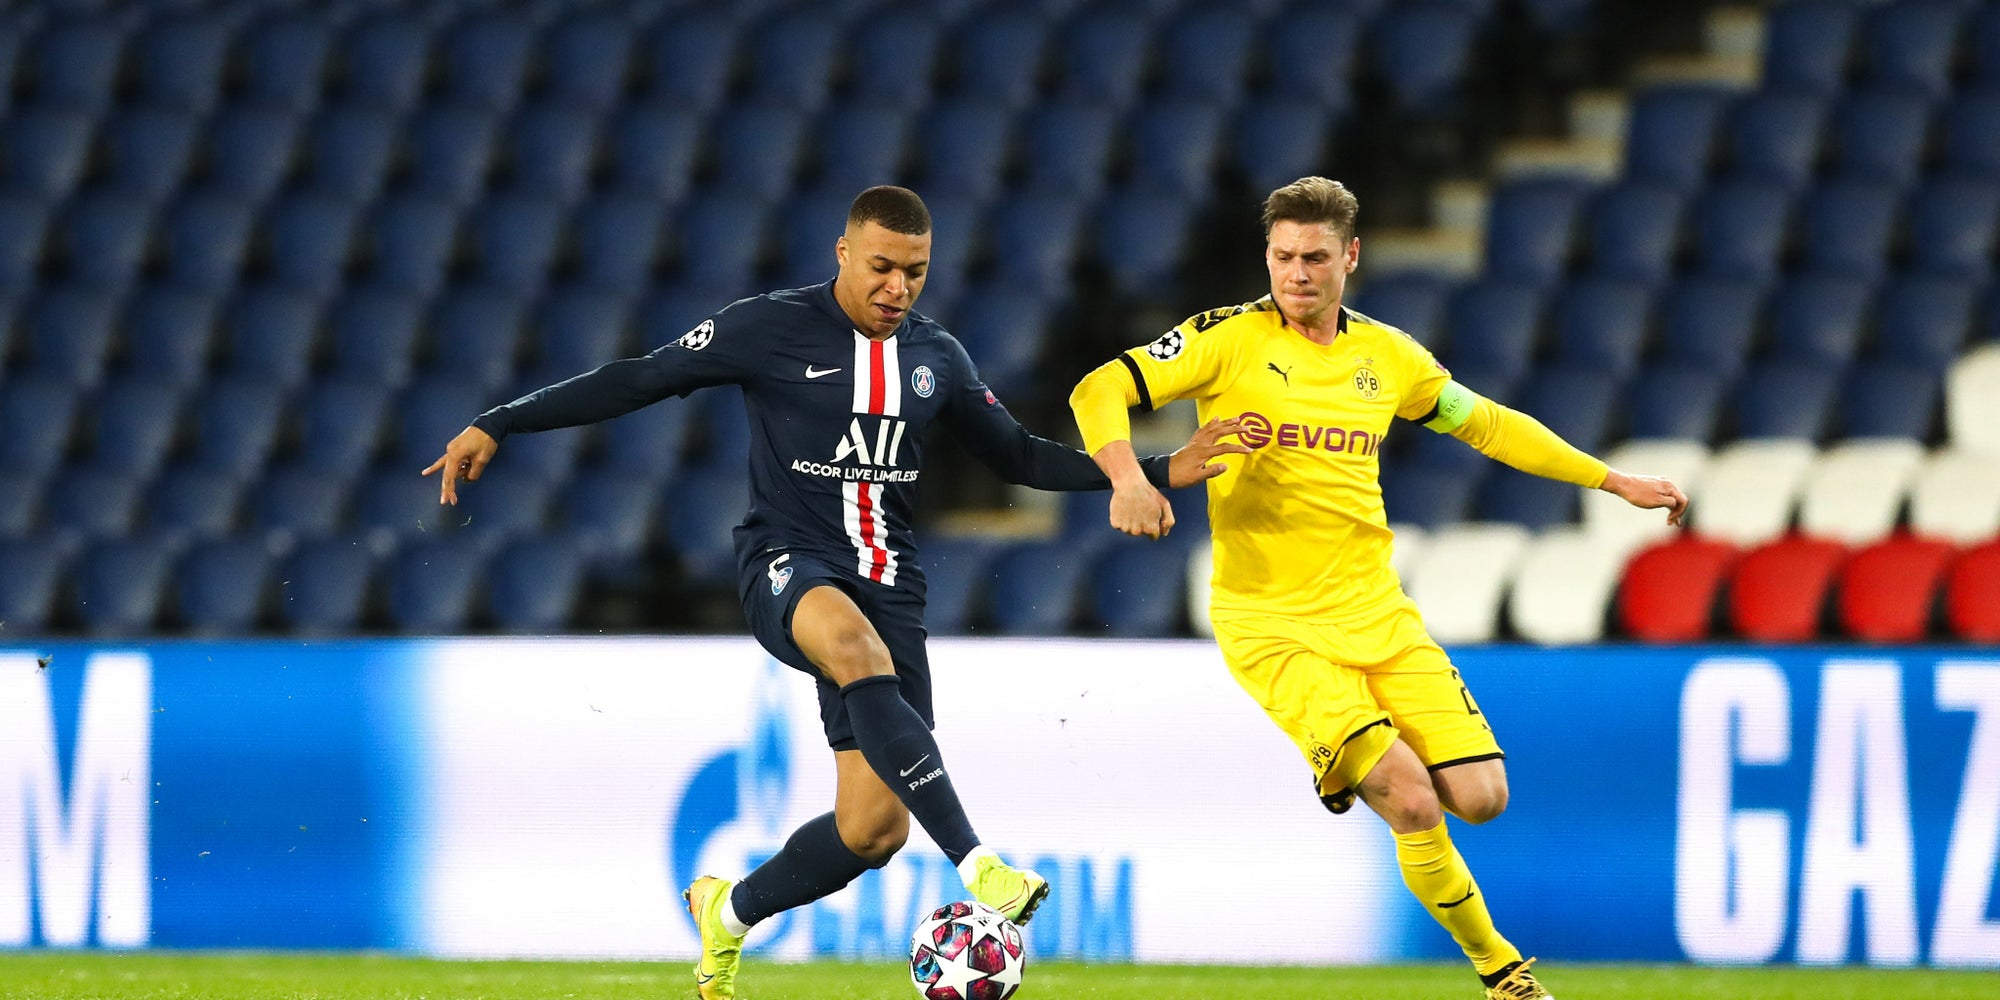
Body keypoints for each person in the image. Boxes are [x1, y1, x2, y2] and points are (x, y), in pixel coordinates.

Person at [425, 185, 1248, 1000]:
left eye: (915, 273)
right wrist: (501, 419)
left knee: (872, 829)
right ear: (843, 254)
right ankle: (980, 865)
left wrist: (1151, 470)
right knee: (854, 646)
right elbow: (641, 377)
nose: (897, 289)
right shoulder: (770, 326)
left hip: (891, 585)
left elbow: (1020, 457)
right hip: (786, 561)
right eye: (882, 267)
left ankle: (729, 911)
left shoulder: (937, 358)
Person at [1068, 177, 1687, 1000]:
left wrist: (1612, 481)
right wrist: (1127, 479)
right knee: (1411, 797)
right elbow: (1097, 387)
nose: (1297, 274)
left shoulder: (1389, 356)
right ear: (1267, 255)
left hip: (1376, 612)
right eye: (1283, 257)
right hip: (1272, 622)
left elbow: (1490, 424)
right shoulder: (1225, 339)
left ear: (1350, 257)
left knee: (1482, 795)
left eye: (1315, 258)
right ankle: (1503, 973)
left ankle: (1357, 757)